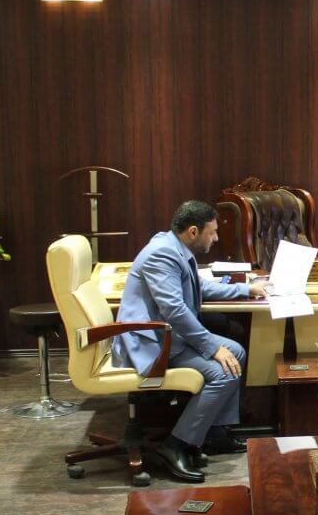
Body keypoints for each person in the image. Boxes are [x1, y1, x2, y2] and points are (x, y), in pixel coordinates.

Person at [112, 200, 267, 482]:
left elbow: (198, 286)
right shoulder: (162, 254)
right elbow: (174, 310)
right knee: (223, 371)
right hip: (152, 342)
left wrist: (246, 289)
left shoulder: (175, 246)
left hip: (167, 335)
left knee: (236, 352)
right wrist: (212, 348)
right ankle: (176, 445)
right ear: (193, 231)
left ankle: (213, 432)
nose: (216, 238)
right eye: (213, 232)